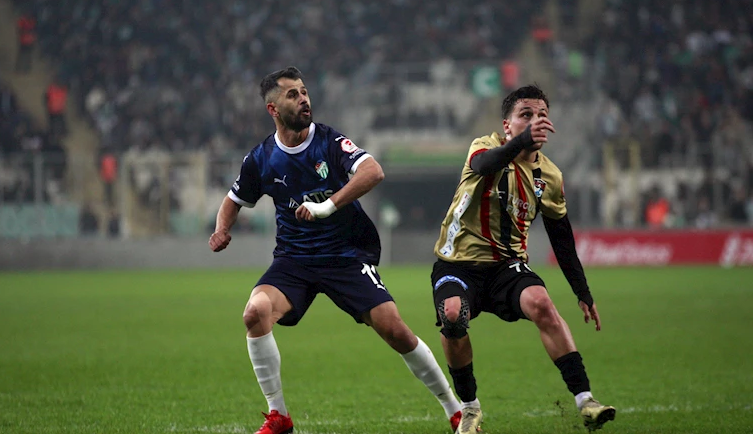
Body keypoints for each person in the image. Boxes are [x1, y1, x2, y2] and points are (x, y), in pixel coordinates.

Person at [209, 67, 462, 434]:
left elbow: (373, 171)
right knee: (255, 312)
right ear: (272, 109)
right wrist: (221, 229)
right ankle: (278, 416)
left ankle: (455, 410)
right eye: (293, 94)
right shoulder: (261, 158)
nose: (303, 99)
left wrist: (326, 206)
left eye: (304, 91)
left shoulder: (329, 141)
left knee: (394, 330)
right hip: (294, 260)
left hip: (345, 255)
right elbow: (233, 200)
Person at [430, 85, 616, 433]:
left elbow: (562, 238)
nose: (535, 121)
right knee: (452, 316)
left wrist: (582, 291)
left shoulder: (551, 176)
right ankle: (469, 409)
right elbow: (485, 165)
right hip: (457, 264)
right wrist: (521, 141)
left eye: (541, 115)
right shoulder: (484, 146)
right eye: (525, 115)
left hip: (507, 267)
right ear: (507, 125)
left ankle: (586, 401)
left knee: (542, 303)